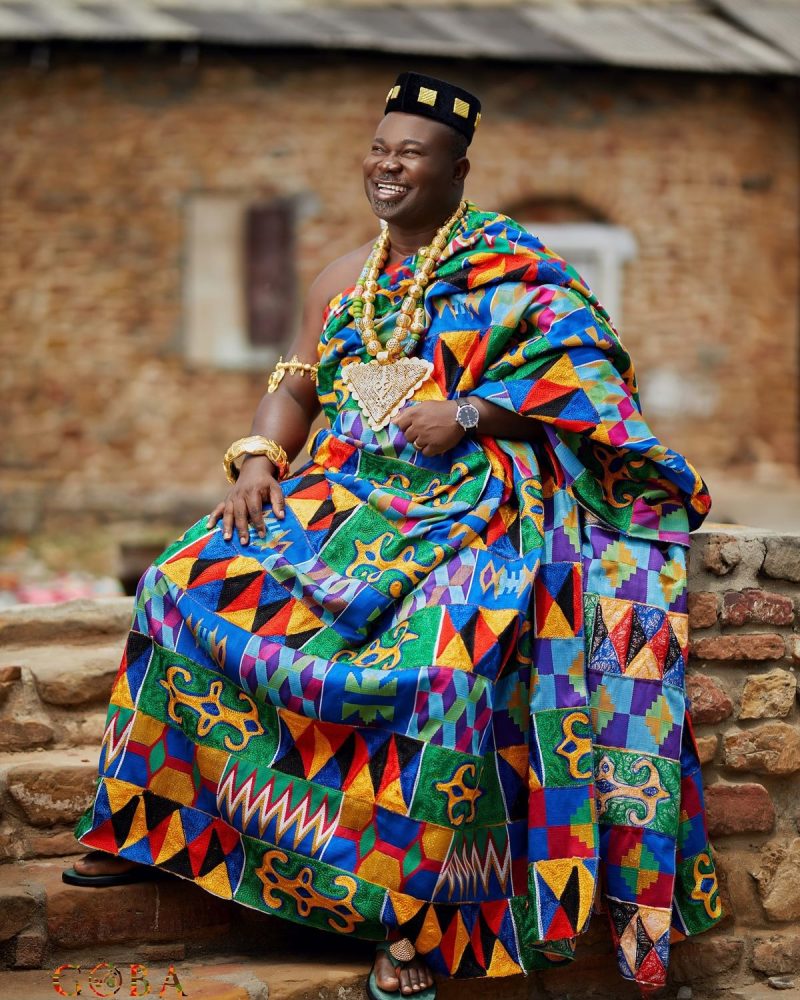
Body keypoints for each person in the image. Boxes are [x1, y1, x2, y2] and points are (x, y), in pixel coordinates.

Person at [65, 72, 722, 997]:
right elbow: (296, 384)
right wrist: (258, 458)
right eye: (379, 148)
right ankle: (148, 824)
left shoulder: (518, 267)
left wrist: (474, 412)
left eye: (411, 153)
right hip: (343, 501)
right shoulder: (343, 277)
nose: (387, 165)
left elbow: (596, 391)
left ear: (458, 167)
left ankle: (407, 922)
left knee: (445, 668)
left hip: (472, 510)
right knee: (178, 582)